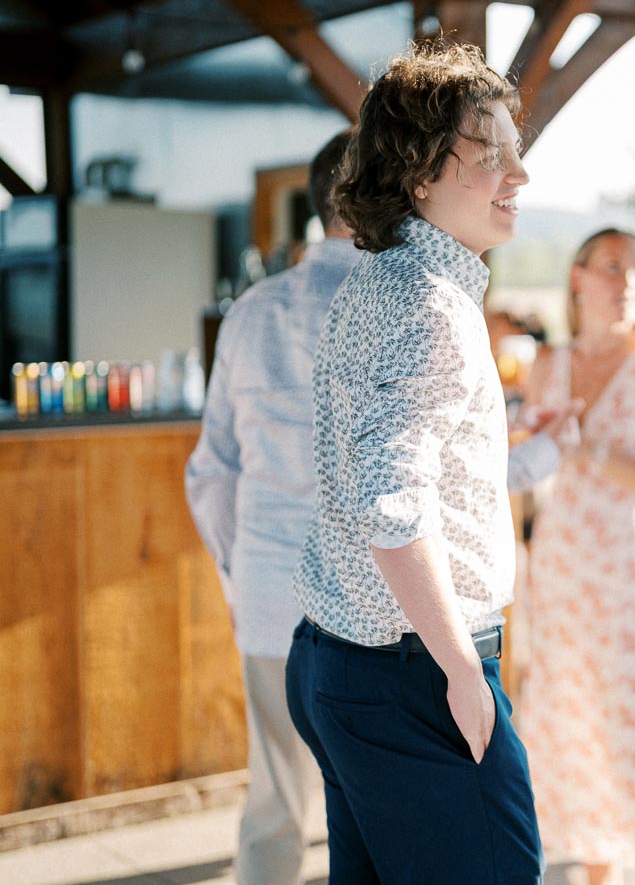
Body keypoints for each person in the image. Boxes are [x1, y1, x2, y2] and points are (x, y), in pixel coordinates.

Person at [285, 45, 559, 883]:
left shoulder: (379, 281)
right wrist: (458, 672)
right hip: (411, 672)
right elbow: (394, 504)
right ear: (416, 175)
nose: (519, 174)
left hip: (340, 659)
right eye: (489, 157)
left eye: (517, 150)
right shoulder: (433, 306)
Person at [185, 130, 355, 885]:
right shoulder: (407, 303)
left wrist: (237, 575)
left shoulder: (251, 311)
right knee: (372, 806)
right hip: (371, 603)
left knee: (275, 799)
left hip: (267, 589)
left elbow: (211, 472)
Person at [517, 228, 635, 885]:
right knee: (570, 730)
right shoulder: (547, 366)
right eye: (613, 267)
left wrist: (587, 450)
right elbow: (528, 471)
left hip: (624, 568)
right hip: (558, 566)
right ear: (579, 277)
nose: (627, 282)